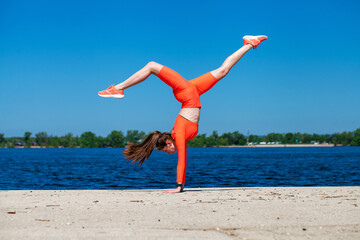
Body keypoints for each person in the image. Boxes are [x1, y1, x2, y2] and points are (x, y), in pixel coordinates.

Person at [98, 35, 268, 193]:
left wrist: (179, 186)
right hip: (192, 91)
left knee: (151, 65)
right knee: (223, 71)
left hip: (187, 93)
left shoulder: (178, 134)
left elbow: (182, 160)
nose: (169, 153)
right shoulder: (179, 135)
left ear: (169, 143)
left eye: (166, 150)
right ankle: (249, 44)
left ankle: (118, 88)